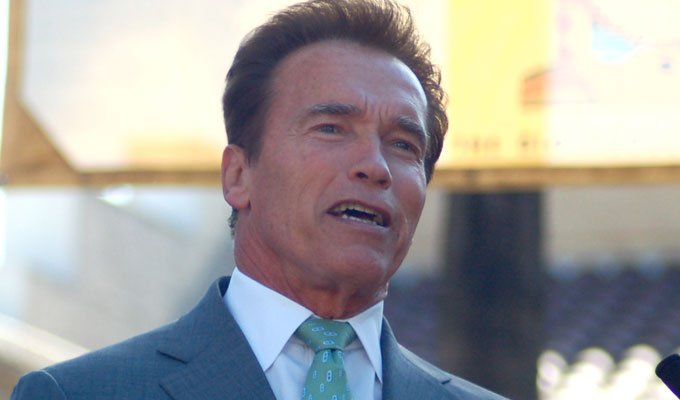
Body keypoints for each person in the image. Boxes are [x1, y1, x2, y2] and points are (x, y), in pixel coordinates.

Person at [11, 0, 506, 399]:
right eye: (331, 128)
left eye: (403, 145)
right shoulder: (82, 393)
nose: (374, 166)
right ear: (238, 176)